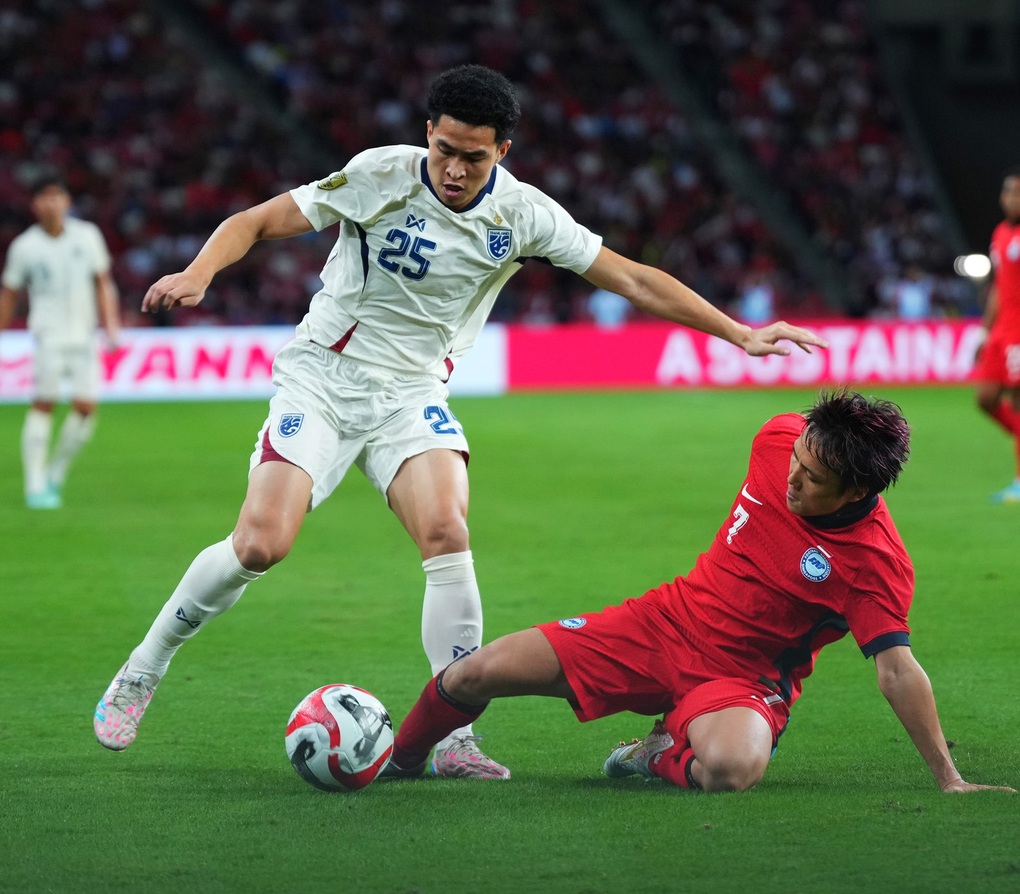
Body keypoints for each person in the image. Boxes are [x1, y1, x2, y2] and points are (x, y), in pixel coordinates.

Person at [93, 64, 825, 778]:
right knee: (260, 546)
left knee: (447, 532)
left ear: (502, 152)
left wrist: (739, 332)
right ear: (427, 135)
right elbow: (255, 220)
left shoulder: (524, 214)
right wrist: (198, 273)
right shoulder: (379, 174)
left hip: (412, 394)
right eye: (443, 150)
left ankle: (454, 736)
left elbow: (631, 278)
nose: (452, 169)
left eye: (473, 157)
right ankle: (143, 667)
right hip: (323, 377)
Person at [383, 389, 1015, 795]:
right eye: (797, 458)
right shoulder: (777, 438)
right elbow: (796, 442)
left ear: (855, 493)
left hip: (741, 681)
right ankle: (397, 762)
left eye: (814, 478)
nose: (792, 478)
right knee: (472, 675)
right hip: (661, 623)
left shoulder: (875, 564)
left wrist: (948, 778)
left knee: (732, 771)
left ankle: (654, 752)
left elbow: (898, 671)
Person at [0, 175, 120, 509]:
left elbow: (103, 282)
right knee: (43, 404)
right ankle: (34, 483)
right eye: (44, 197)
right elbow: (9, 293)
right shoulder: (25, 247)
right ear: (34, 205)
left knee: (85, 409)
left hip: (84, 336)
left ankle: (56, 472)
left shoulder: (88, 235)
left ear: (67, 202)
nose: (51, 203)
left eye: (57, 196)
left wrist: (111, 325)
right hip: (48, 336)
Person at [975, 167, 1020, 503]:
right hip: (1001, 330)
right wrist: (984, 331)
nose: (1011, 199)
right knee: (986, 399)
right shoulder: (1000, 233)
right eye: (1008, 192)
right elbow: (997, 289)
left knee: (1018, 402)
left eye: (1017, 193)